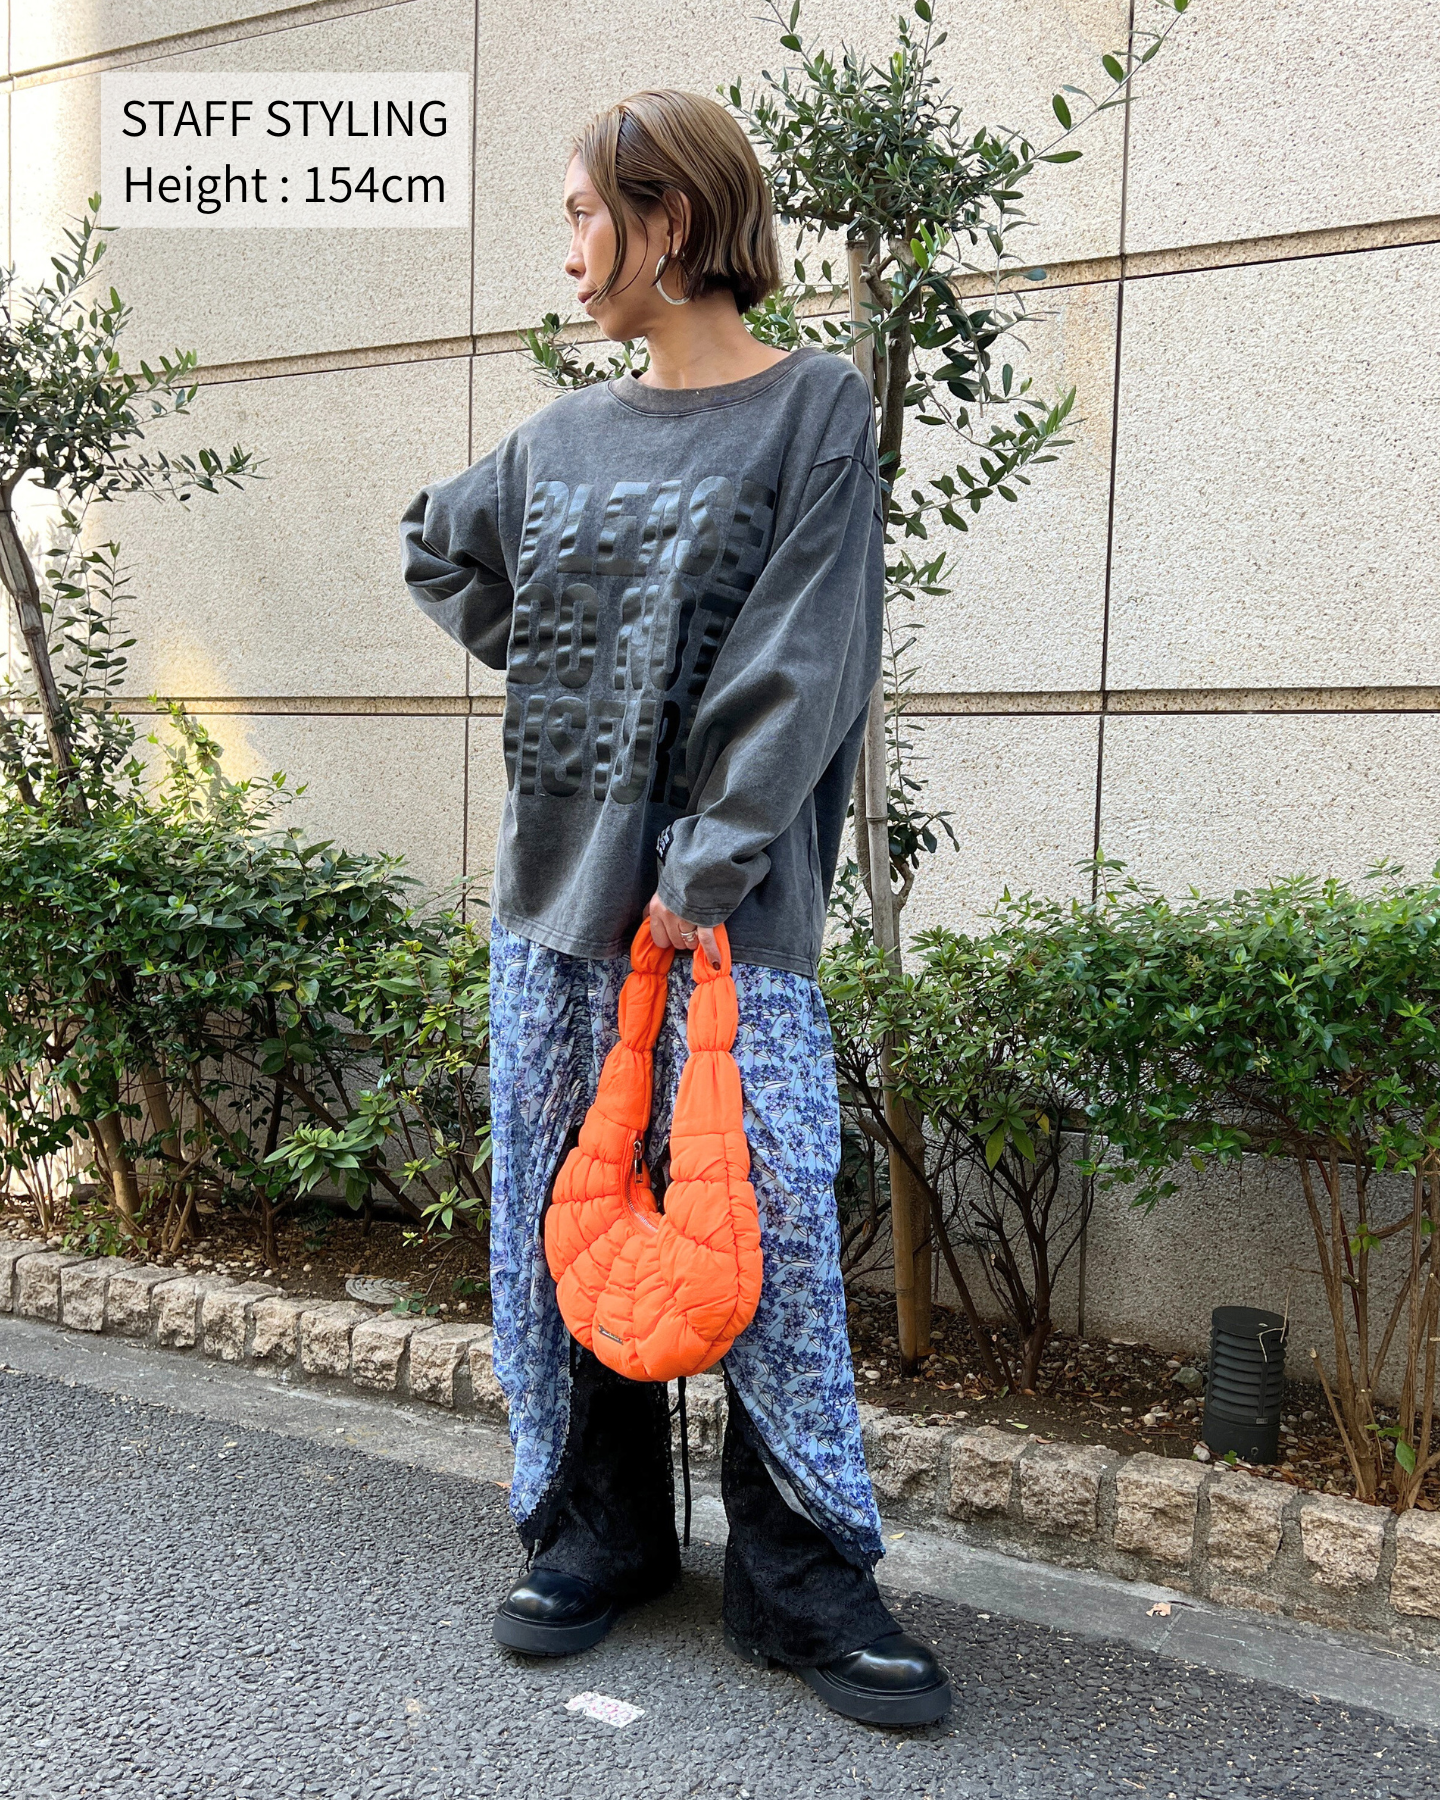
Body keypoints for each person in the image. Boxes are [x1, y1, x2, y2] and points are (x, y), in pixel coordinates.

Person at [400, 87, 952, 1728]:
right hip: (553, 910)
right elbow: (440, 549)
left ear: (674, 223)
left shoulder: (811, 411)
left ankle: (800, 1578)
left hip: (724, 921)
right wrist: (572, 666)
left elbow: (806, 661)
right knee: (562, 1213)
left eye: (587, 214)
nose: (571, 249)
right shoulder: (557, 443)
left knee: (760, 1219)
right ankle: (598, 1533)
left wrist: (703, 864)